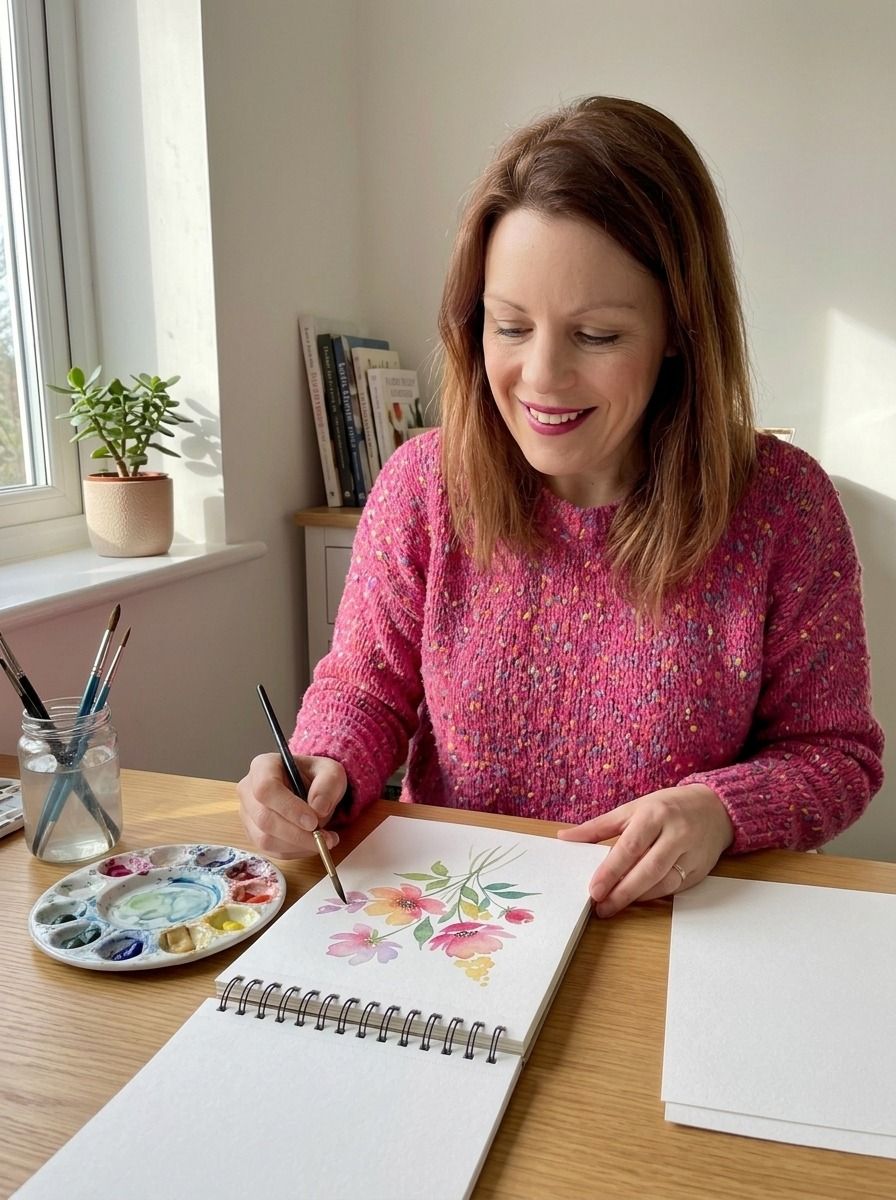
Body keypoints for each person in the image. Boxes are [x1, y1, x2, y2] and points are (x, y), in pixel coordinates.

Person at [238, 96, 884, 918]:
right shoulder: (422, 487)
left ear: (679, 328)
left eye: (598, 336)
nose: (541, 378)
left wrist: (723, 810)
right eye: (510, 327)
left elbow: (835, 754)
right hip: (459, 925)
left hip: (683, 939)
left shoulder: (784, 507)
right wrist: (319, 766)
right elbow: (364, 689)